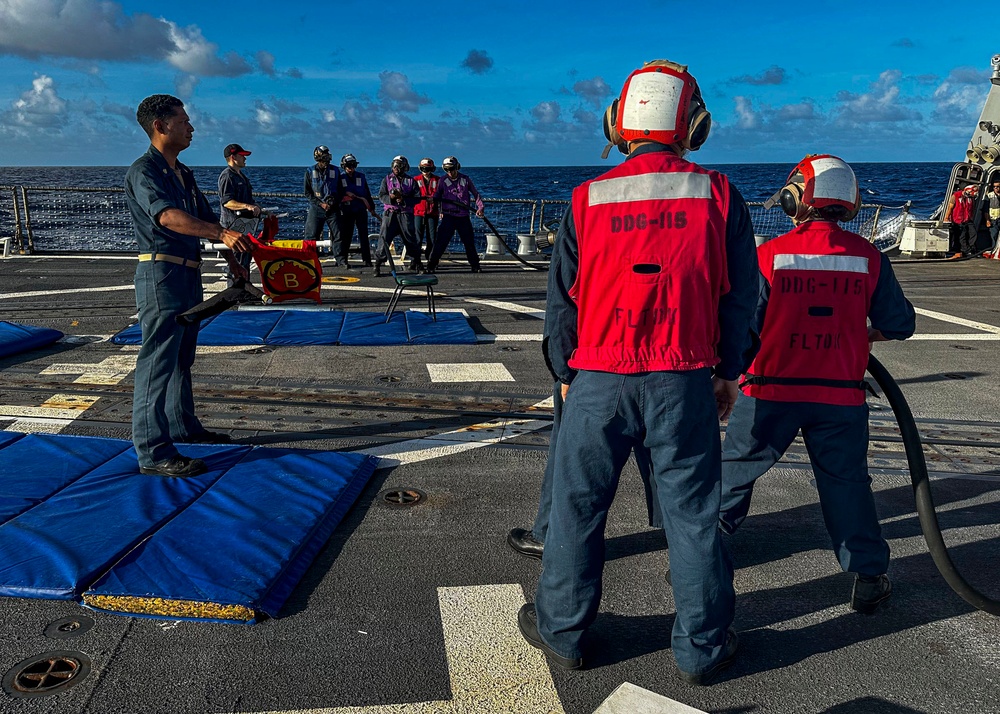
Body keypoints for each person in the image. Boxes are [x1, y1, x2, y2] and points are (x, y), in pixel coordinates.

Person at [517, 60, 760, 686]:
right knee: (693, 516)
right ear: (694, 126)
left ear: (619, 125)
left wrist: (567, 374)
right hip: (683, 380)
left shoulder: (585, 198)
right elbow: (741, 300)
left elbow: (561, 305)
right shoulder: (720, 195)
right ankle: (702, 651)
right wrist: (729, 371)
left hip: (597, 377)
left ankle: (565, 634)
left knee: (575, 510)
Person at [719, 154, 915, 615]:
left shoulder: (770, 256)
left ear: (795, 199)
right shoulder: (869, 258)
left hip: (769, 392)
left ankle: (702, 560)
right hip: (839, 396)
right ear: (849, 203)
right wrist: (859, 334)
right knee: (847, 486)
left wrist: (726, 378)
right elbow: (900, 324)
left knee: (731, 476)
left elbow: (744, 329)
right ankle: (868, 575)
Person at [125, 94, 251, 477]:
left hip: (187, 272)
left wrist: (234, 262)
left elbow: (208, 219)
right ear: (161, 126)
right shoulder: (144, 171)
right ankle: (153, 450)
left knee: (181, 359)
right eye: (184, 121)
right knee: (158, 361)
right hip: (161, 275)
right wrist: (220, 234)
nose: (191, 127)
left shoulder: (184, 173)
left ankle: (184, 426)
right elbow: (167, 216)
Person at [426, 156, 484, 273]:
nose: (450, 172)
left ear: (457, 167)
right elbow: (438, 195)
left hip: (463, 216)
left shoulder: (465, 179)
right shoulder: (443, 181)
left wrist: (480, 207)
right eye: (446, 170)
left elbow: (475, 194)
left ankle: (475, 265)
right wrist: (433, 200)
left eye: (451, 169)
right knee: (440, 243)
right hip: (448, 217)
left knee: (469, 242)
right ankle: (431, 266)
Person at [218, 143, 261, 288]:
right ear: (233, 157)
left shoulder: (241, 177)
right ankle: (234, 291)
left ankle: (244, 288)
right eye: (242, 156)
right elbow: (227, 202)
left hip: (245, 226)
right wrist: (247, 206)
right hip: (233, 226)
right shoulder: (227, 176)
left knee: (244, 260)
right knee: (236, 261)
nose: (245, 159)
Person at [374, 155, 422, 276]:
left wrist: (403, 200)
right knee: (384, 238)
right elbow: (381, 195)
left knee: (410, 238)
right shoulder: (387, 179)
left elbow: (417, 198)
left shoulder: (411, 181)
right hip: (390, 214)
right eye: (394, 165)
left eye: (399, 165)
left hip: (405, 214)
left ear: (404, 167)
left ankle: (417, 262)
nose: (396, 168)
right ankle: (378, 264)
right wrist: (391, 199)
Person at [335, 153, 378, 268]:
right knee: (346, 235)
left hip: (360, 209)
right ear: (344, 166)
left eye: (353, 165)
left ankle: (367, 259)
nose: (351, 168)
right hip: (347, 210)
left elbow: (367, 193)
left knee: (363, 234)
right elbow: (337, 193)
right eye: (348, 166)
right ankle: (343, 259)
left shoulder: (361, 177)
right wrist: (345, 194)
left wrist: (372, 208)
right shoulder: (340, 178)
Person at [304, 145, 343, 263]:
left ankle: (340, 259)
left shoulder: (335, 171)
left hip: (333, 208)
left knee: (338, 234)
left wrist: (333, 202)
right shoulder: (310, 171)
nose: (327, 161)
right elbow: (307, 192)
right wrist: (320, 204)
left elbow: (341, 190)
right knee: (311, 235)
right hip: (317, 208)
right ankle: (310, 258)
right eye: (324, 158)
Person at [414, 158, 440, 257]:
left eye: (428, 169)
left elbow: (442, 195)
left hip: (432, 213)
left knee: (432, 237)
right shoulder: (415, 180)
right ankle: (415, 260)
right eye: (423, 169)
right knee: (417, 237)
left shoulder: (438, 180)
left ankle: (431, 258)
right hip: (418, 212)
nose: (426, 172)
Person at [945, 184, 978, 259]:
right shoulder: (956, 196)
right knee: (961, 236)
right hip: (958, 220)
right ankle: (963, 251)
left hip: (968, 219)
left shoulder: (971, 198)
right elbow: (950, 208)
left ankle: (970, 248)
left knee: (973, 233)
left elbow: (971, 209)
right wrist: (946, 217)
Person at [984, 178, 1000, 252]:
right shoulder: (989, 196)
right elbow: (986, 210)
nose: (996, 188)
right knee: (994, 236)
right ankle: (994, 250)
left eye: (998, 187)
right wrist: (987, 220)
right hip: (993, 220)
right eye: (994, 187)